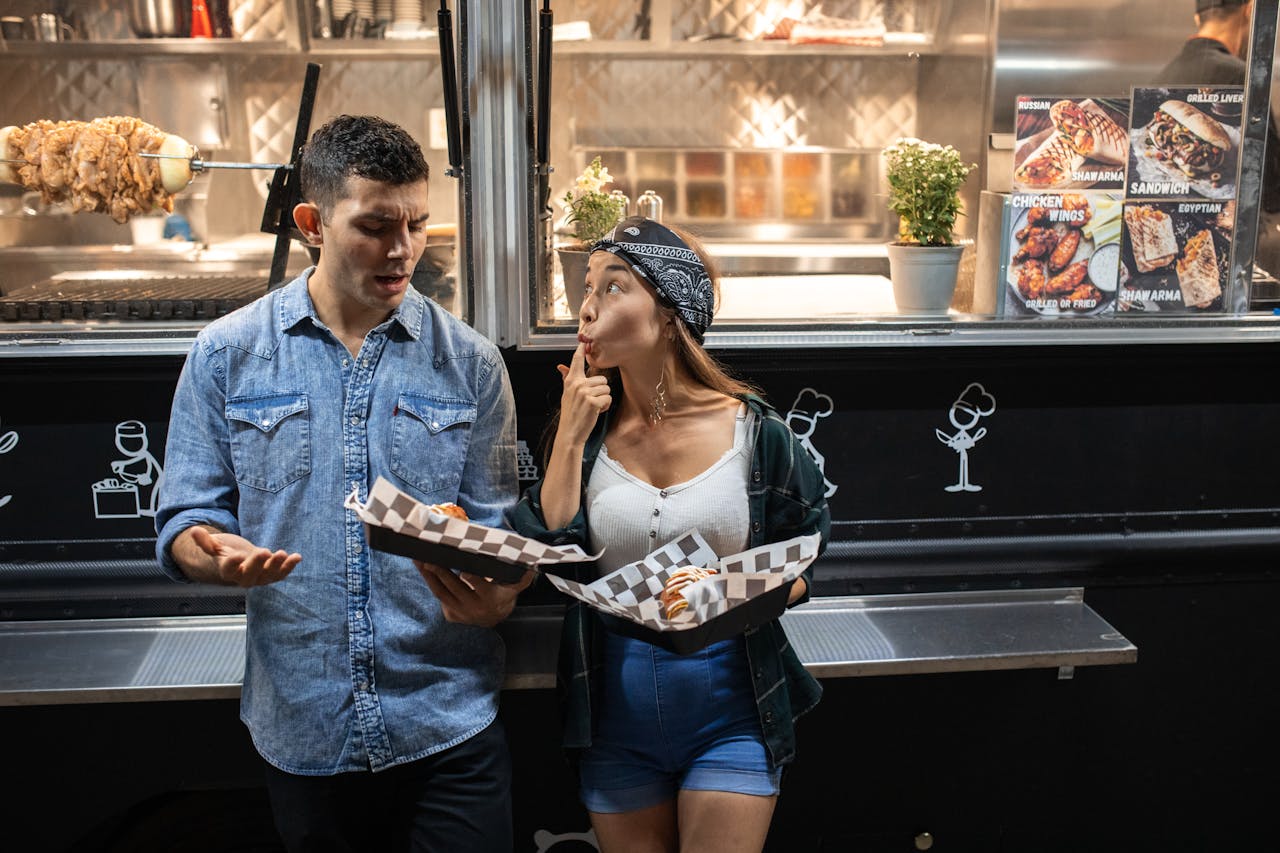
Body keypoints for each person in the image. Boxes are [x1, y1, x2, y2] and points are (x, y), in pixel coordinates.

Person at [154, 114, 530, 852]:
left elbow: (500, 534)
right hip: (304, 727)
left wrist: (498, 594)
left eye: (418, 224)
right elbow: (184, 520)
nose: (403, 250)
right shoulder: (227, 354)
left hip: (447, 723)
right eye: (376, 225)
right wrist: (215, 553)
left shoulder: (473, 364)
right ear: (312, 223)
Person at [508, 217, 830, 853]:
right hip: (610, 714)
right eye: (587, 286)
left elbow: (805, 555)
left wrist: (727, 590)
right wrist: (569, 435)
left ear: (670, 310)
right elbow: (552, 548)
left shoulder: (755, 433)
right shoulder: (586, 432)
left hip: (732, 711)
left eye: (613, 286)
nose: (587, 305)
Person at [1154, 0, 1280, 273]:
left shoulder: (1163, 76)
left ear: (1198, 18)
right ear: (1249, 11)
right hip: (1231, 250)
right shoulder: (1239, 75)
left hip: (1171, 239)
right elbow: (1269, 182)